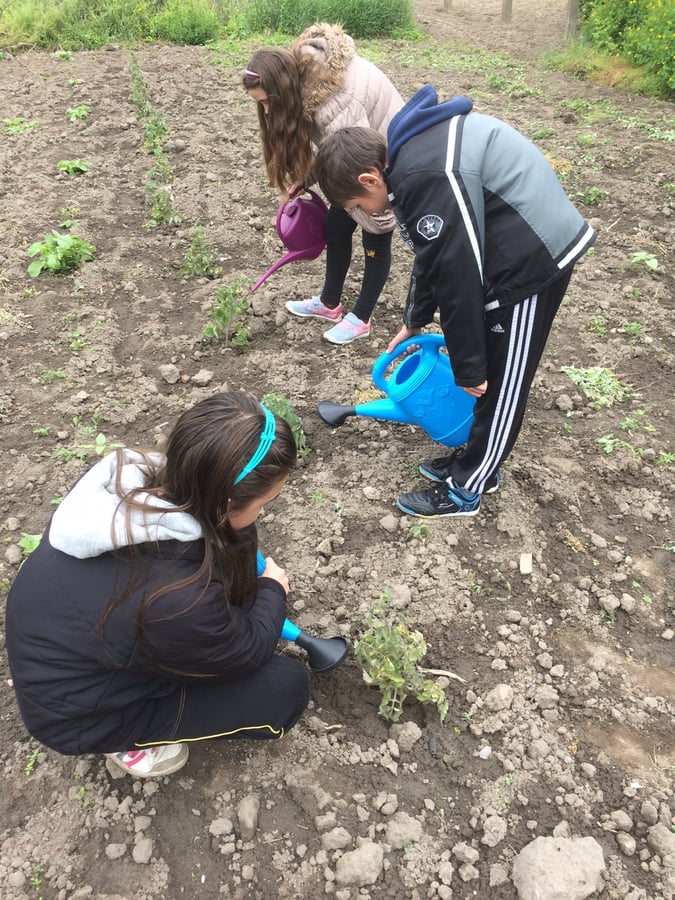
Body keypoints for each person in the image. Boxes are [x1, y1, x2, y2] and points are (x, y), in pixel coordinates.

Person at [314, 85, 597, 517]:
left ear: (370, 179)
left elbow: (458, 272)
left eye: (358, 204)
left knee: (500, 384)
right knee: (489, 372)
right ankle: (476, 459)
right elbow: (435, 254)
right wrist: (415, 318)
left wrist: (469, 366)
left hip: (531, 262)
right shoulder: (406, 163)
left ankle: (468, 486)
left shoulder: (424, 175)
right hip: (506, 243)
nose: (366, 214)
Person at [6, 392, 310, 778]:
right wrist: (272, 592)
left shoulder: (138, 479)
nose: (262, 512)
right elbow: (244, 653)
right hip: (76, 712)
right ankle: (124, 742)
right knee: (285, 689)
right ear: (224, 503)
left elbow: (229, 545)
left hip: (58, 648)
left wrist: (244, 543)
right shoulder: (179, 598)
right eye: (265, 502)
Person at [243, 23, 403, 345]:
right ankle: (330, 303)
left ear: (281, 91)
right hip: (356, 160)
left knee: (376, 235)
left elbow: (355, 161)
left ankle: (361, 317)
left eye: (266, 101)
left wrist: (381, 214)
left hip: (383, 165)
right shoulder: (307, 89)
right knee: (336, 224)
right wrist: (305, 179)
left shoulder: (336, 102)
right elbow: (333, 151)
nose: (265, 110)